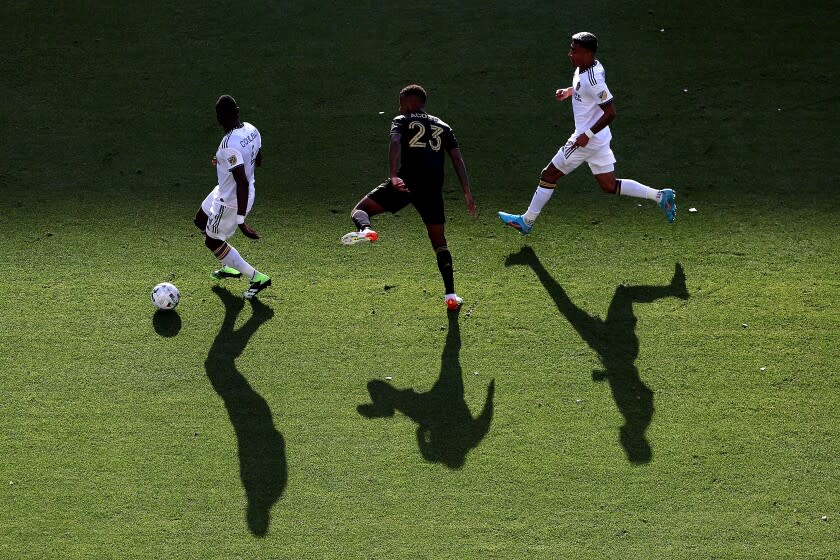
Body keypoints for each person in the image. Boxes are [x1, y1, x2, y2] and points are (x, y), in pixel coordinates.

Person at [498, 32, 676, 235]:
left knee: (548, 175)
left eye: (574, 51)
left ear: (588, 53)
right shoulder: (587, 67)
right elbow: (584, 89)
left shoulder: (594, 80)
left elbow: (611, 112)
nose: (570, 54)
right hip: (598, 139)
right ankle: (661, 196)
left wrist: (587, 135)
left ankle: (526, 221)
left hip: (585, 140)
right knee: (609, 185)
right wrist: (569, 92)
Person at [342, 84, 476, 310]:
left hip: (406, 183)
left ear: (409, 102)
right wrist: (467, 192)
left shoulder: (401, 120)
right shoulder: (444, 126)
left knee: (360, 211)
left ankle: (366, 231)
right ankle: (451, 296)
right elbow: (457, 159)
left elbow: (395, 143)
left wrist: (393, 175)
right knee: (440, 244)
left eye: (401, 102)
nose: (399, 107)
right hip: (432, 189)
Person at [193, 95, 271, 299]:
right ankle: (230, 264)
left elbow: (242, 182)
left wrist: (241, 220)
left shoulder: (228, 144)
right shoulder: (252, 130)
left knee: (212, 242)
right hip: (225, 190)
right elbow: (258, 160)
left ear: (219, 118)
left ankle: (256, 277)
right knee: (200, 219)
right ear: (237, 111)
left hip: (231, 200)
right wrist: (222, 161)